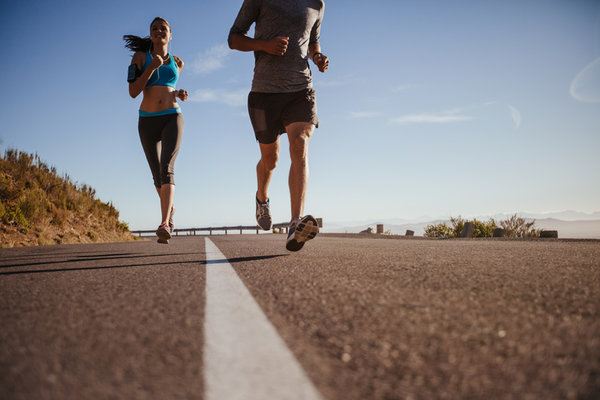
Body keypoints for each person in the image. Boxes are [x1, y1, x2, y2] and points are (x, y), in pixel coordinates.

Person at [228, 0, 329, 251]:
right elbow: (233, 38)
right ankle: (262, 197)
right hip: (264, 93)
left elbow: (312, 39)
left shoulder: (317, 4)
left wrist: (316, 55)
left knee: (300, 144)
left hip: (300, 90)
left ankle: (296, 223)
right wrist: (264, 45)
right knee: (271, 160)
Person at [123, 17, 188, 244]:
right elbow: (133, 91)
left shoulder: (178, 62)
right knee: (156, 176)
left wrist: (178, 93)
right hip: (147, 120)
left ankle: (164, 223)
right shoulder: (140, 57)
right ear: (150, 35)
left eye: (164, 28)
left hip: (172, 117)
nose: (159, 31)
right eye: (154, 28)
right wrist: (151, 66)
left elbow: (168, 87)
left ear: (170, 36)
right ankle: (170, 212)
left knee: (167, 168)